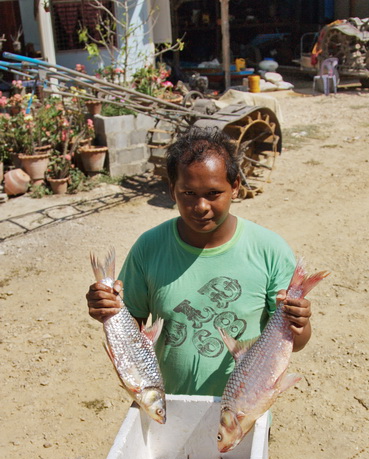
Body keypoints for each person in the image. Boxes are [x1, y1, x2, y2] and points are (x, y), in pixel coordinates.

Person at [86, 126, 312, 396]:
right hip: (168, 403)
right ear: (173, 191)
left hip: (242, 408)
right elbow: (131, 324)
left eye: (213, 193)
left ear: (235, 187)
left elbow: (295, 343)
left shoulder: (270, 250)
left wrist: (300, 323)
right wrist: (108, 310)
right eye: (189, 194)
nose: (201, 206)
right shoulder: (149, 248)